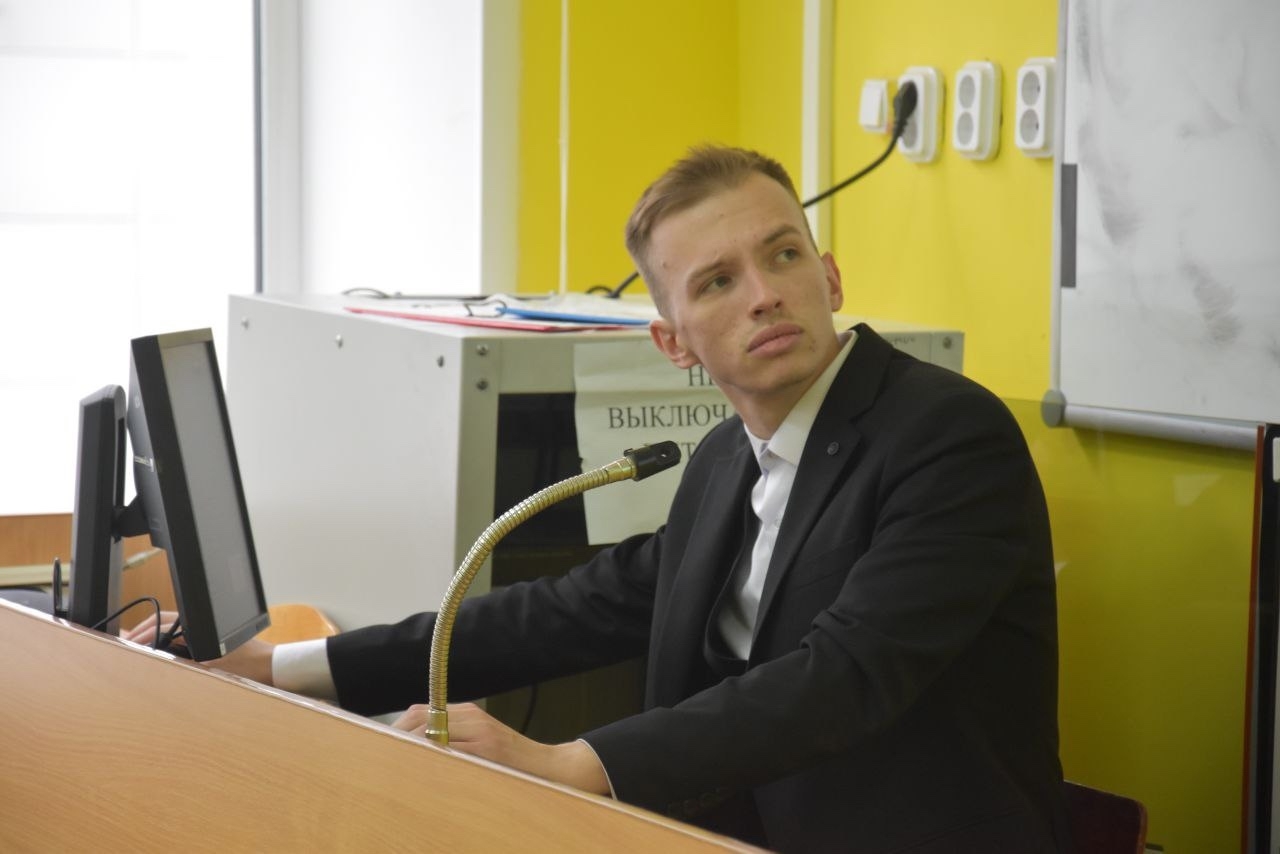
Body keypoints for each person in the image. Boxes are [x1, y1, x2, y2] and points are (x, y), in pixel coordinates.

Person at [130, 146, 1068, 853]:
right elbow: (576, 608)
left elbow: (843, 676)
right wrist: (285, 669)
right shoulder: (725, 460)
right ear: (674, 342)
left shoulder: (948, 436)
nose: (764, 295)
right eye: (718, 281)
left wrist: (565, 764)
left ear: (829, 278)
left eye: (783, 256)